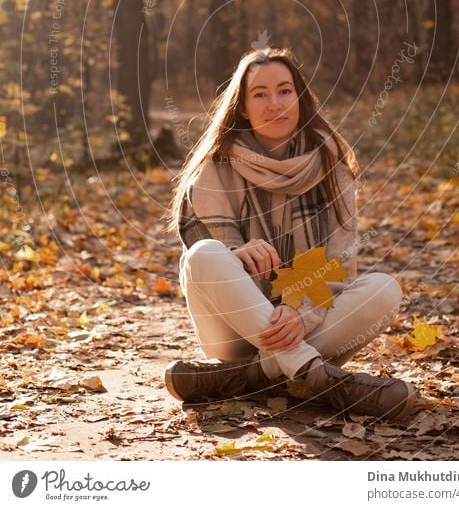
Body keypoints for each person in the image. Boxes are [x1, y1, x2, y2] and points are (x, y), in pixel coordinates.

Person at [163, 47, 420, 420]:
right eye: (260, 94)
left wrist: (301, 311)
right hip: (235, 330)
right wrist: (235, 252)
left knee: (384, 289)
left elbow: (338, 262)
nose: (275, 104)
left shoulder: (332, 166)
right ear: (243, 108)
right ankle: (322, 380)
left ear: (300, 98)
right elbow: (206, 261)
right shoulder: (215, 167)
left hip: (303, 326)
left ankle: (251, 377)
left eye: (285, 90)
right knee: (204, 253)